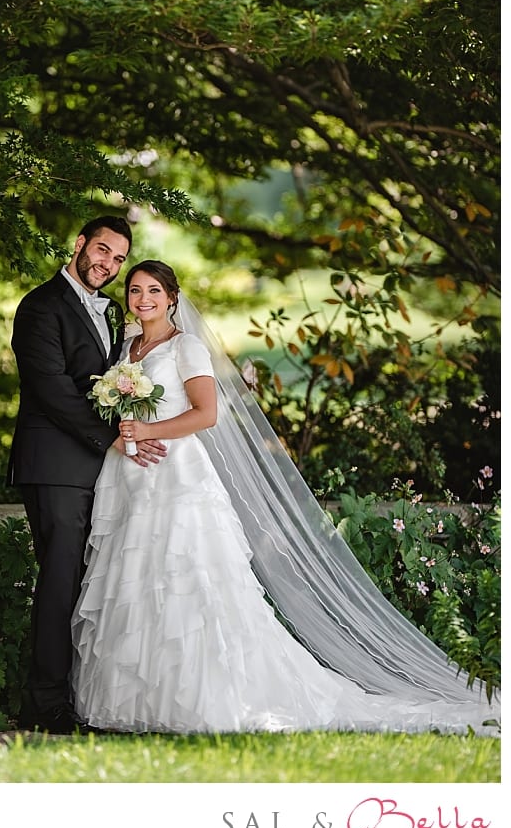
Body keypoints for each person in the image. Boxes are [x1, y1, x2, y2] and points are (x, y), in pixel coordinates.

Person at [70, 261, 498, 735]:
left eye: (153, 290)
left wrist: (148, 429)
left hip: (177, 477)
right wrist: (126, 433)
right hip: (130, 476)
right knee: (133, 579)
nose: (142, 298)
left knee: (185, 579)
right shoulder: (126, 348)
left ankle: (206, 698)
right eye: (134, 290)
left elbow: (206, 414)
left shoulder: (185, 347)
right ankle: (139, 698)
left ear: (172, 298)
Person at [7, 215, 166, 733]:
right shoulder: (40, 307)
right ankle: (46, 704)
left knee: (87, 581)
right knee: (60, 579)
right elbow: (52, 391)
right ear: (79, 245)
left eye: (118, 259)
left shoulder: (112, 313)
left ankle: (78, 694)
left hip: (97, 468)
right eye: (102, 251)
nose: (108, 264)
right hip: (54, 464)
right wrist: (115, 439)